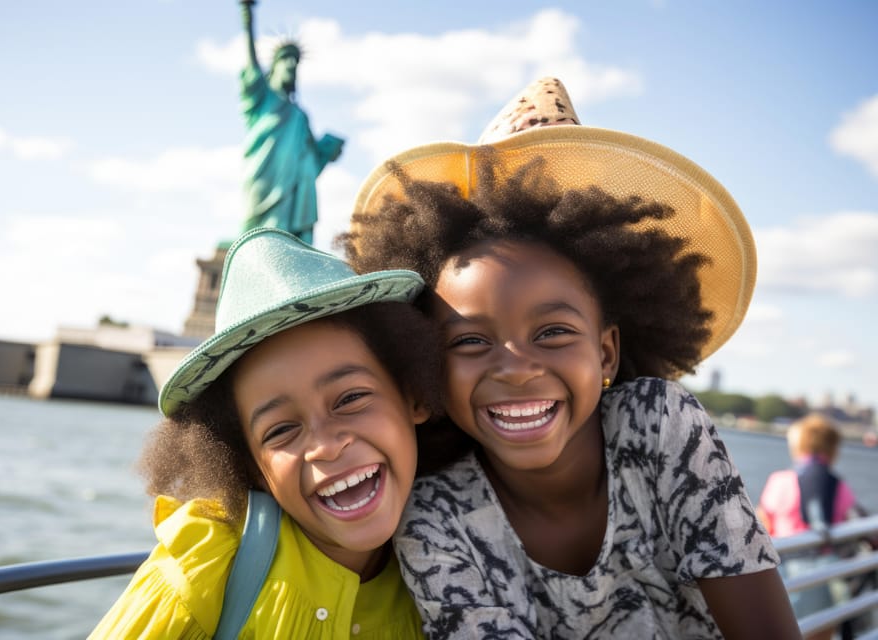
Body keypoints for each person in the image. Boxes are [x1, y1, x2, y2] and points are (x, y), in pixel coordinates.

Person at [338, 77, 801, 638]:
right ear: (429, 364)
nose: (515, 367)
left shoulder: (658, 424)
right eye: (468, 341)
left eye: (553, 331)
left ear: (606, 352)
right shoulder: (434, 512)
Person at [89, 227, 440, 638]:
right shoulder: (207, 567)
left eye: (350, 399)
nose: (325, 446)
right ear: (250, 465)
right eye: (281, 431)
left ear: (413, 394)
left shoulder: (455, 564)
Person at [235, 0, 345, 244]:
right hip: (264, 177)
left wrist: (327, 150)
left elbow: (310, 160)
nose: (292, 65)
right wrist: (248, 21)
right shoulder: (263, 97)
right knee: (254, 238)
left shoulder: (300, 116)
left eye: (296, 61)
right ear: (274, 65)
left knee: (289, 244)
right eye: (286, 59)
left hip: (295, 192)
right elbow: (251, 66)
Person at [758, 413, 860, 639]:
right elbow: (848, 518)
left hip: (786, 570)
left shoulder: (780, 480)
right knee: (820, 631)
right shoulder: (839, 485)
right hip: (826, 571)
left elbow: (763, 524)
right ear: (833, 448)